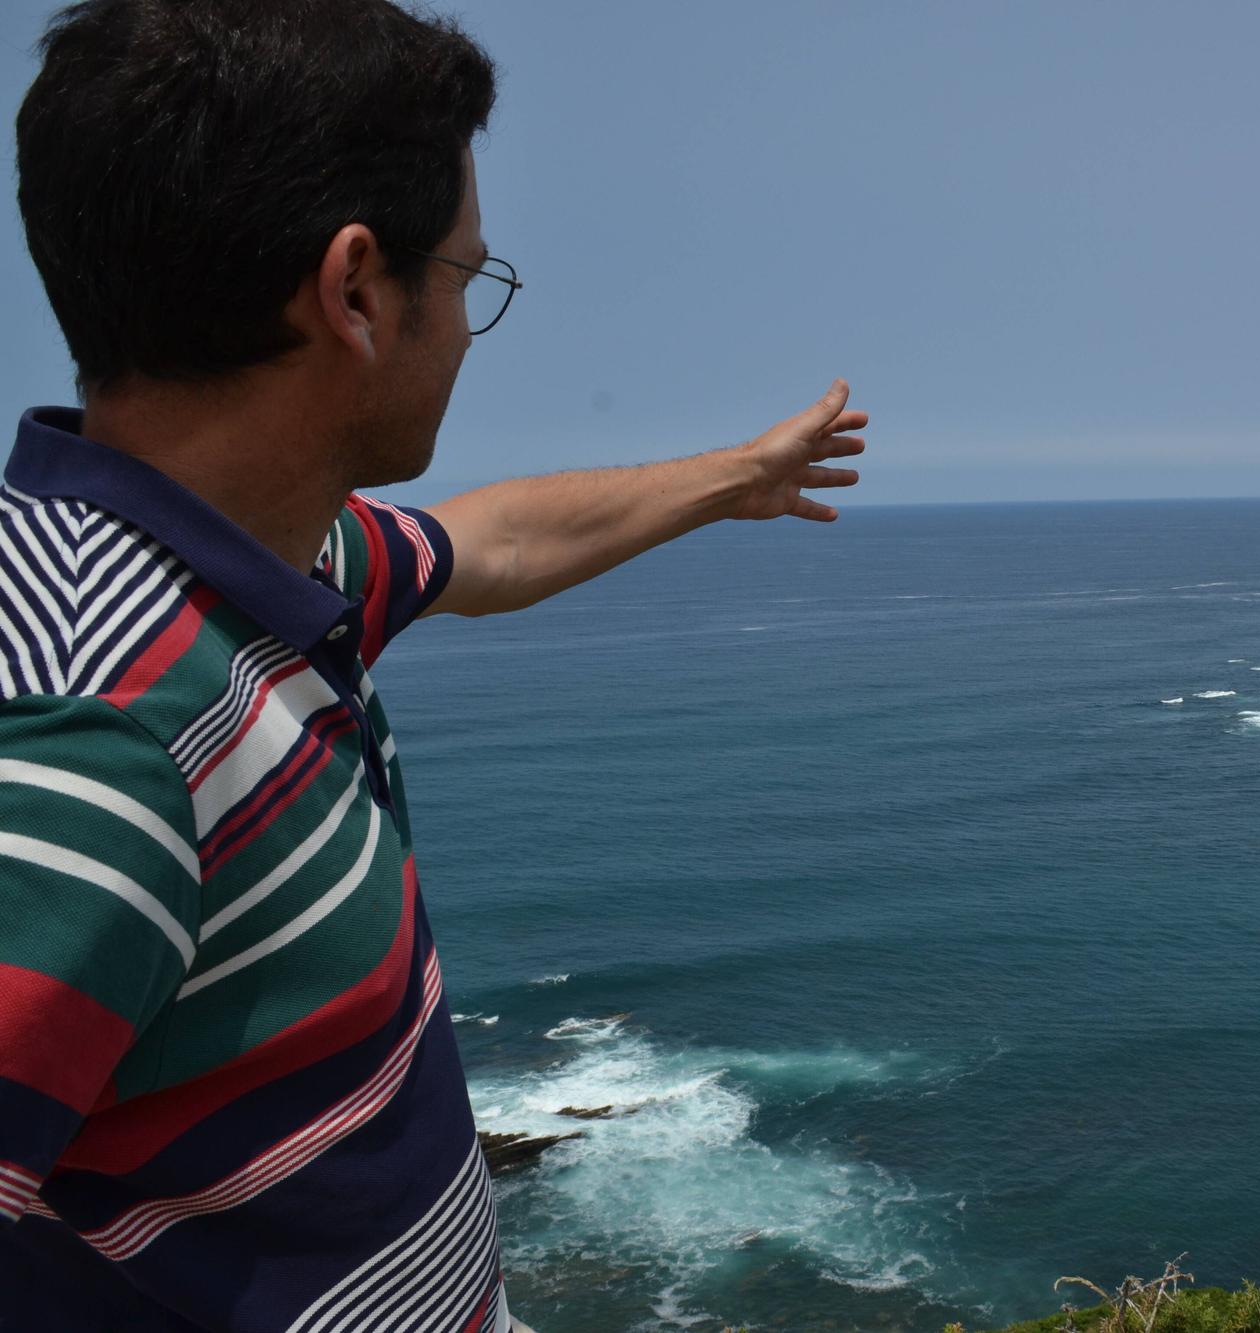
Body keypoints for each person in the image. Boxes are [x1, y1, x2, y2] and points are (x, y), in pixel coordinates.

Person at [0, 1, 863, 1327]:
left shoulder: (269, 565)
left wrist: (738, 475)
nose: (467, 320)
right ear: (355, 291)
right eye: (468, 274)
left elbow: (489, 540)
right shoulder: (100, 736)